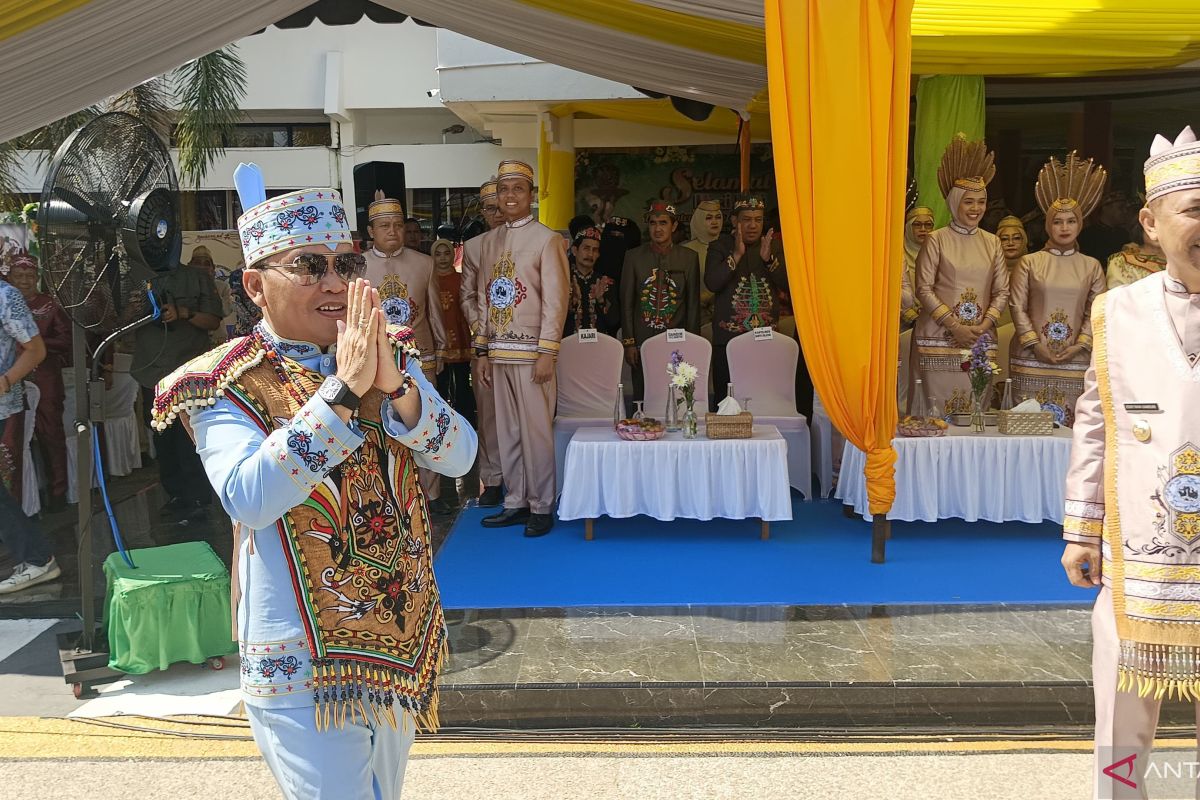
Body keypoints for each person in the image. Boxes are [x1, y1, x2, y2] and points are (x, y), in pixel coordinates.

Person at [155, 165, 476, 799]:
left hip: (394, 638)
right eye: (309, 266)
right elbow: (250, 495)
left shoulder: (390, 355)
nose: (334, 283)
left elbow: (462, 457)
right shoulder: (224, 382)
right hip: (300, 658)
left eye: (345, 265)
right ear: (255, 285)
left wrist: (397, 389)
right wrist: (344, 392)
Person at [1061, 125, 1200, 800]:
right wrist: (1080, 528)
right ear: (1151, 222)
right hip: (1137, 553)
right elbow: (1096, 423)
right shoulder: (1117, 313)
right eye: (1196, 208)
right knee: (1123, 720)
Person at [474, 160, 568, 537]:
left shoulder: (547, 239)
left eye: (517, 189)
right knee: (507, 432)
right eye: (503, 189)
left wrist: (549, 351)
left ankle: (542, 505)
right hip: (497, 351)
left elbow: (556, 300)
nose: (509, 196)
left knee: (536, 433)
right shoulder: (490, 242)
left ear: (531, 195)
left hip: (532, 353)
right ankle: (515, 501)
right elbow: (486, 299)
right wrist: (481, 350)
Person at [364, 196, 453, 515]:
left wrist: (441, 347)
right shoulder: (357, 266)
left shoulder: (424, 263)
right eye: (385, 226)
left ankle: (431, 495)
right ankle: (388, 492)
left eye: (399, 225)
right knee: (380, 424)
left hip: (421, 355)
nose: (393, 231)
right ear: (371, 230)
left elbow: (434, 311)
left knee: (425, 421)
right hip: (376, 360)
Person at [909, 134, 1009, 415]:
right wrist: (955, 326)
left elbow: (1002, 291)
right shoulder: (937, 240)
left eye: (981, 202)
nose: (976, 209)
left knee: (974, 411)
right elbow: (924, 288)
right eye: (969, 202)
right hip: (939, 338)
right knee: (936, 415)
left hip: (980, 339)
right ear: (955, 203)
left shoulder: (992, 242)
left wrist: (983, 325)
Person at [1007, 152, 1107, 427]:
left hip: (1075, 359)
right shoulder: (1030, 262)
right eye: (1057, 221)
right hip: (1031, 357)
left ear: (1080, 223)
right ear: (1047, 225)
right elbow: (1017, 306)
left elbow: (1095, 312)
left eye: (1071, 221)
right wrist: (1035, 345)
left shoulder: (1091, 266)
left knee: (1074, 433)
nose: (1064, 228)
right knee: (1027, 429)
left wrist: (1078, 346)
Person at [127, 245, 223, 522]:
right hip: (152, 373)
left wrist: (184, 313)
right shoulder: (134, 280)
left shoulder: (196, 278)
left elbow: (213, 320)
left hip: (189, 374)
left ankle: (199, 497)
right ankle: (177, 496)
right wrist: (136, 309)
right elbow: (116, 323)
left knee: (190, 439)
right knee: (163, 439)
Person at [0, 274, 57, 594]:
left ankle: (37, 558)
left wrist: (6, 381)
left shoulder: (6, 296)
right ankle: (35, 557)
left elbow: (35, 350)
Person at [705, 196, 790, 405]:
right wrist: (735, 255)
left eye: (758, 220)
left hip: (764, 339)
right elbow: (712, 283)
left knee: (764, 399)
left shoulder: (774, 246)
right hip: (728, 340)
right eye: (747, 219)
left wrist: (769, 260)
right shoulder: (720, 246)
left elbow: (790, 285)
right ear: (735, 221)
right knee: (727, 401)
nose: (753, 225)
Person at [5, 256, 71, 511]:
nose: (24, 281)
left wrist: (35, 345)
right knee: (13, 439)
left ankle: (58, 491)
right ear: (10, 278)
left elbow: (66, 341)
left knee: (50, 434)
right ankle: (20, 498)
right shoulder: (5, 304)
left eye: (29, 276)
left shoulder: (49, 306)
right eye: (18, 276)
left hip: (45, 379)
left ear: (37, 278)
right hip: (12, 380)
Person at [619, 203, 701, 401]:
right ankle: (642, 430)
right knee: (643, 394)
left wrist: (692, 343)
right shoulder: (634, 257)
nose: (657, 228)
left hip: (676, 338)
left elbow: (692, 304)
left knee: (678, 393)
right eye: (653, 223)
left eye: (663, 223)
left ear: (673, 227)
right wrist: (629, 343)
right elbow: (626, 302)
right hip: (642, 340)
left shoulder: (689, 258)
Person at [460, 179, 504, 508]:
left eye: (501, 206)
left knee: (524, 417)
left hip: (525, 346)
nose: (498, 213)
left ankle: (526, 480)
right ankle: (492, 480)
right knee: (488, 415)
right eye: (491, 208)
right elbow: (467, 297)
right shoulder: (474, 247)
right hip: (485, 347)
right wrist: (483, 333)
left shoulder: (531, 241)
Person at [431, 237, 475, 428]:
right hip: (437, 340)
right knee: (440, 385)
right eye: (438, 254)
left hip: (460, 336)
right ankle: (444, 426)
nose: (442, 258)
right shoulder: (428, 279)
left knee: (463, 385)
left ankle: (465, 425)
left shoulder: (461, 279)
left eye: (447, 253)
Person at [564, 226, 619, 337]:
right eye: (586, 248)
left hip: (599, 346)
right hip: (569, 346)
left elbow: (614, 322)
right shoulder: (563, 281)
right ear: (575, 250)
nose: (590, 254)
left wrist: (601, 300)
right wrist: (571, 302)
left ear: (598, 254)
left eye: (595, 250)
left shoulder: (606, 283)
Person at [682, 200, 724, 333]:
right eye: (708, 218)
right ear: (699, 220)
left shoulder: (730, 247)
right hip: (695, 318)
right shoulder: (686, 251)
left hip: (725, 316)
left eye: (718, 217)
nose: (714, 222)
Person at [188, 245, 235, 344]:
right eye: (197, 263)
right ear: (189, 266)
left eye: (206, 264)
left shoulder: (222, 287)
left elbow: (225, 311)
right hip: (191, 341)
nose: (202, 267)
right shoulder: (184, 286)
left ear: (212, 268)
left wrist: (210, 286)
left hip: (217, 340)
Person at [900, 206, 935, 330]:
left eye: (928, 225)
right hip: (903, 326)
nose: (923, 229)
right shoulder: (897, 256)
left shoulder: (939, 254)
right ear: (908, 227)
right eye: (917, 225)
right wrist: (913, 318)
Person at [1077, 190, 1132, 264]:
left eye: (1125, 208)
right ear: (1105, 208)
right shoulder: (1088, 236)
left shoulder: (1124, 234)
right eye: (1120, 207)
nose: (1125, 211)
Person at [994, 215, 1029, 328]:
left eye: (1016, 238)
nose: (1010, 243)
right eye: (1004, 239)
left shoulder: (1037, 271)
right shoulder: (989, 273)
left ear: (1024, 240)